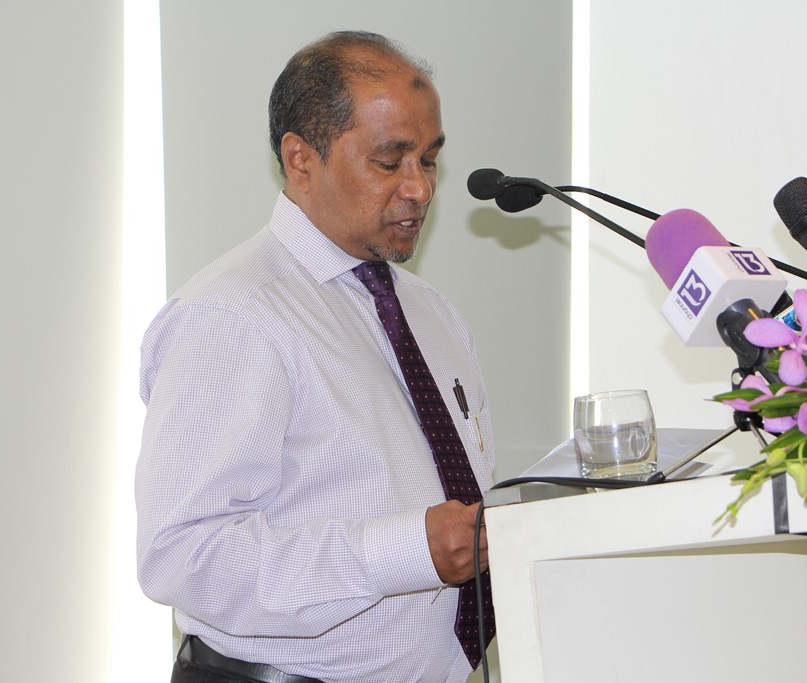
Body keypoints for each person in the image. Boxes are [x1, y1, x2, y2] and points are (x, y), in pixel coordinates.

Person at [136, 30, 495, 683]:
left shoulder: (433, 315)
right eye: (390, 161)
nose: (419, 188)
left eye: (429, 160)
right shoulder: (232, 315)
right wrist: (408, 549)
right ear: (300, 159)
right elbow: (184, 556)